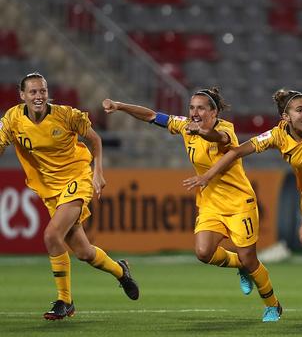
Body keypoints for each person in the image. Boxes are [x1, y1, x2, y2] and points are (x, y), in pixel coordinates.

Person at [183, 89, 302, 321]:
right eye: (300, 110)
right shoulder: (277, 136)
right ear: (286, 118)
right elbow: (238, 151)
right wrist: (208, 175)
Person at [102, 87, 282, 322]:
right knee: (203, 252)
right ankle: (240, 265)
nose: (194, 112)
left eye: (200, 108)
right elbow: (152, 116)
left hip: (240, 202)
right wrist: (120, 105)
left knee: (251, 258)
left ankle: (272, 305)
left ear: (214, 112)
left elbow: (218, 138)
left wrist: (202, 132)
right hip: (210, 203)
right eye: (191, 107)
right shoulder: (185, 125)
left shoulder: (225, 129)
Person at [0, 73, 139, 320]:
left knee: (51, 235)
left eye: (42, 91)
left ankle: (65, 300)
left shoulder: (66, 115)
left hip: (77, 179)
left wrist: (97, 172)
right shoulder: (12, 119)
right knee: (84, 252)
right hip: (49, 189)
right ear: (22, 95)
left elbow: (95, 139)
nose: (39, 96)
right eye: (32, 92)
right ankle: (121, 271)